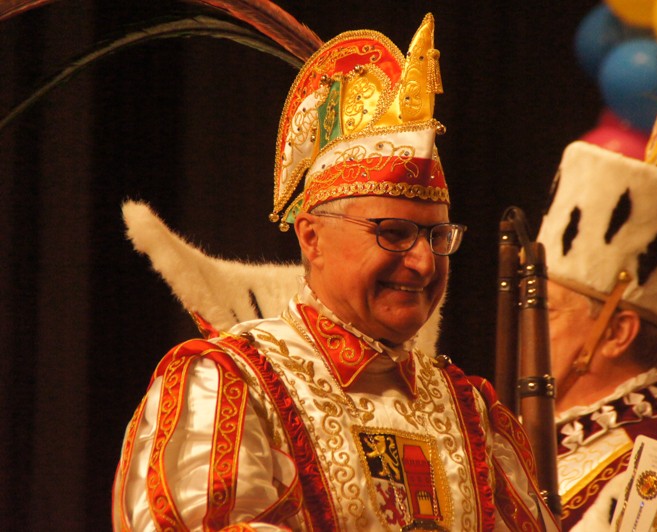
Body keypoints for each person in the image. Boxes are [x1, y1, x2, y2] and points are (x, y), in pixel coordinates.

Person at [112, 14, 558, 531]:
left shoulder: (469, 411)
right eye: (394, 233)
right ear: (311, 238)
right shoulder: (232, 383)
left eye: (438, 236)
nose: (423, 262)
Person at [535, 140, 657, 531]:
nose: (529, 331)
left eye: (547, 312)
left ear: (617, 333)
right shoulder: (537, 443)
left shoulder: (650, 467)